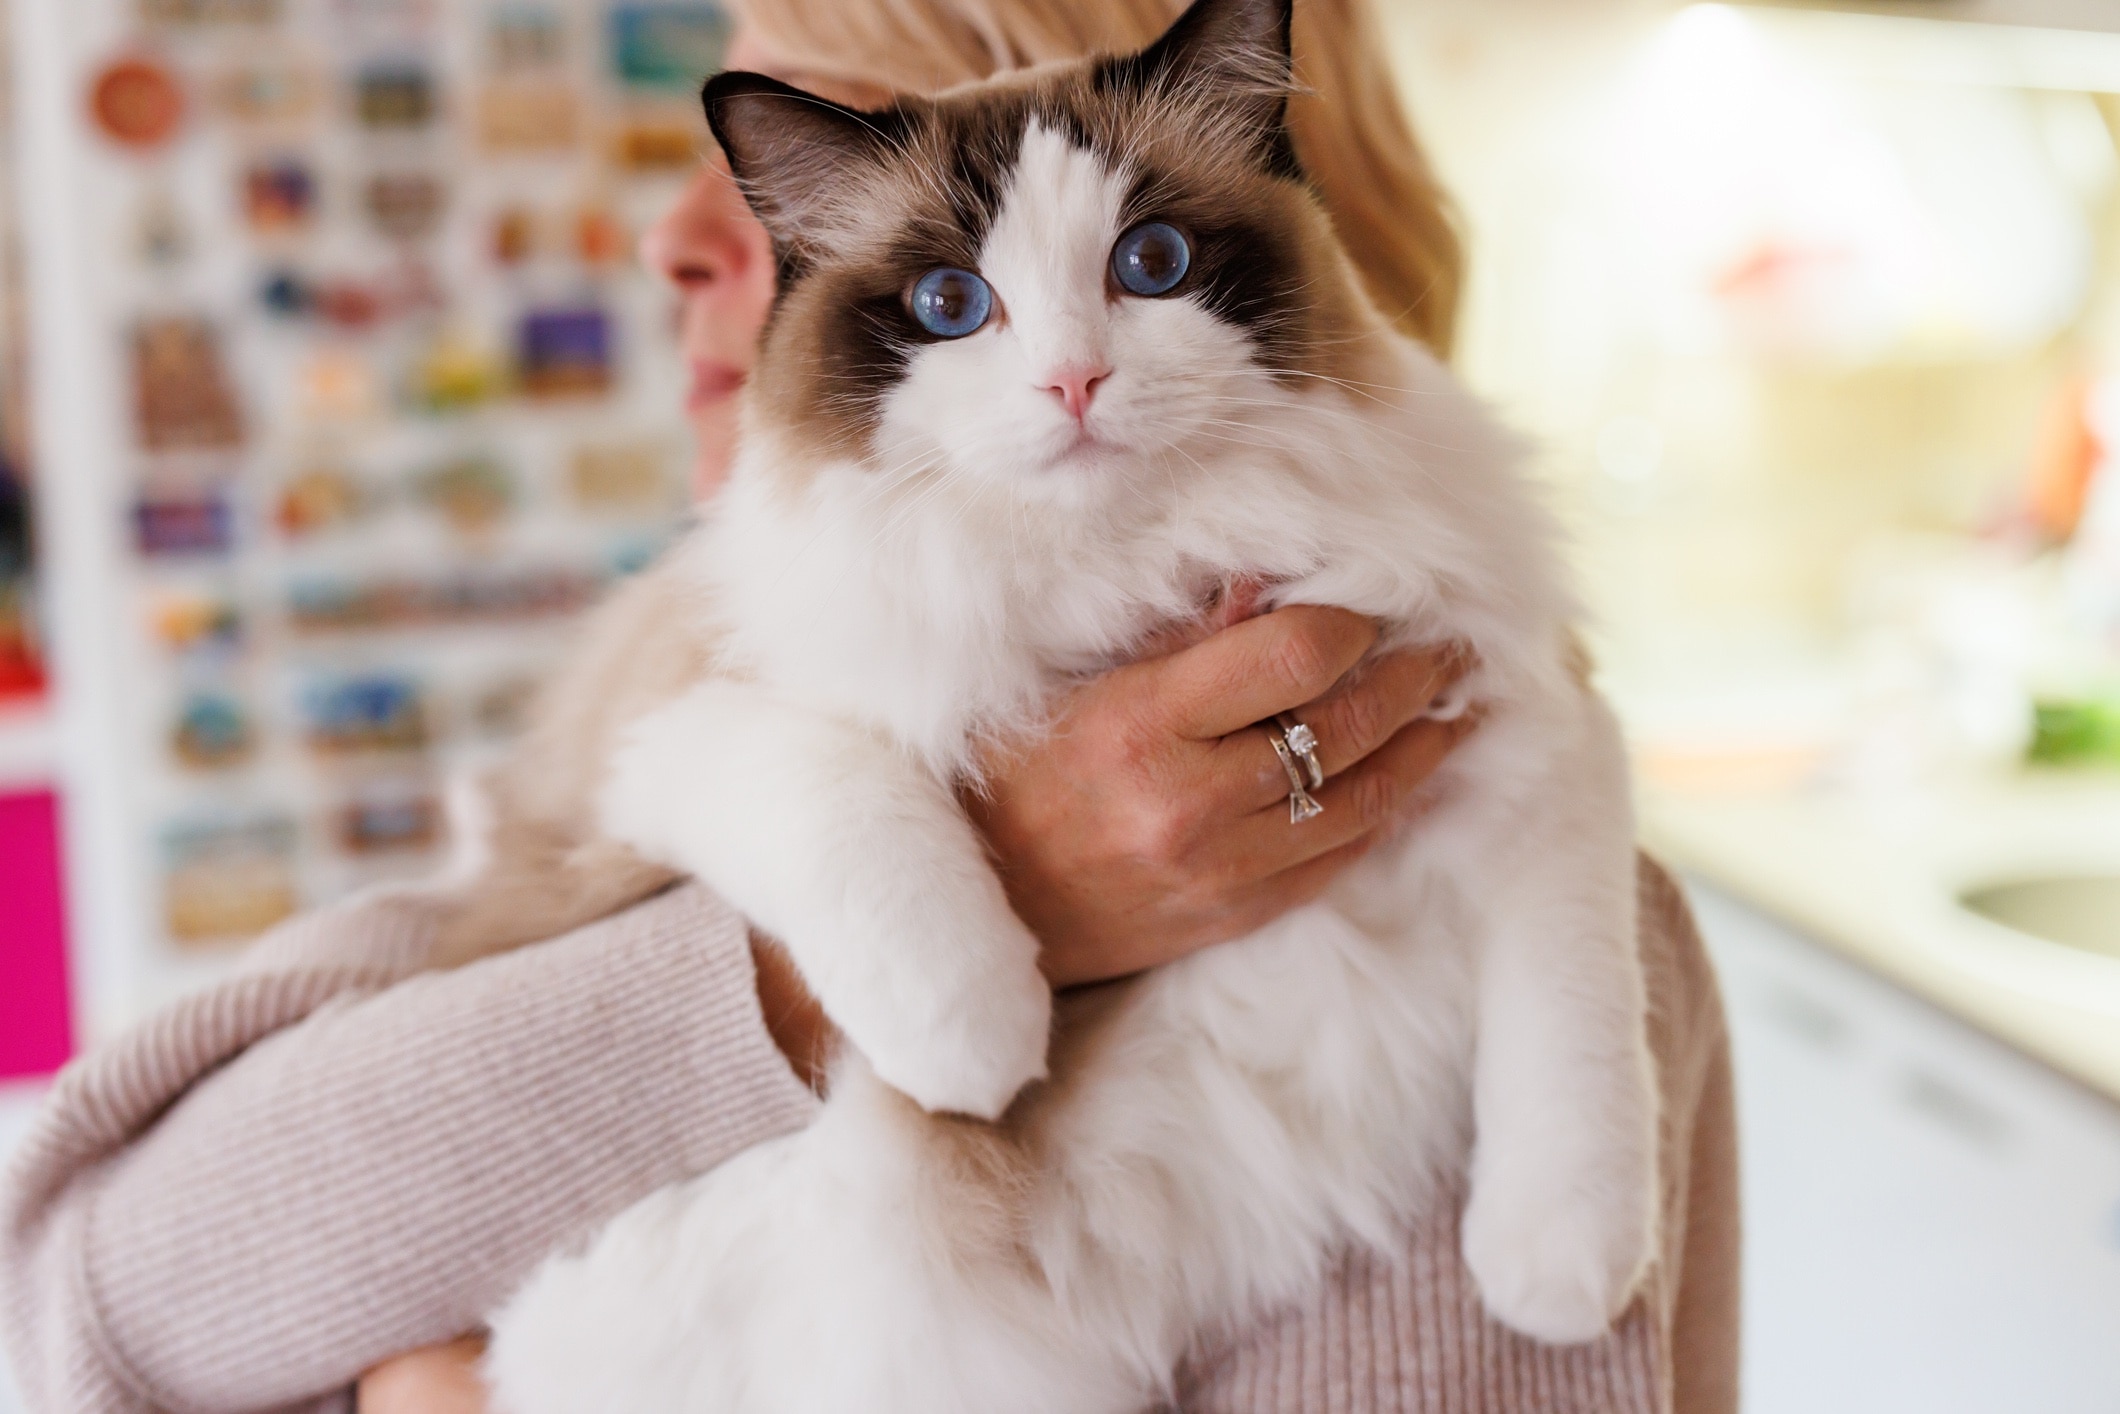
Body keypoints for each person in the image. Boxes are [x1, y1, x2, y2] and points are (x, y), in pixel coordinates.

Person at [0, 0, 1740, 1410]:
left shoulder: (1496, 875)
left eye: (839, 107)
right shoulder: (685, 705)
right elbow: (92, 1304)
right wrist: (864, 947)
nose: (680, 232)